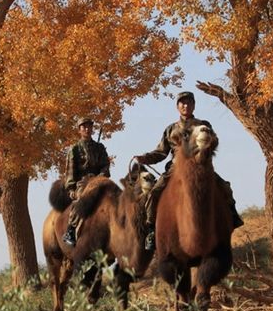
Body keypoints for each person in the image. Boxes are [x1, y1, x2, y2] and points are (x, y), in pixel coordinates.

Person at [135, 90, 244, 251]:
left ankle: (232, 217)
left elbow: (213, 142)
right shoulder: (171, 129)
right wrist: (145, 158)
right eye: (182, 103)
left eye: (189, 102)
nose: (186, 105)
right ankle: (151, 230)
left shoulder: (203, 125)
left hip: (200, 166)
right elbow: (161, 152)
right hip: (175, 167)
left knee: (225, 186)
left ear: (194, 105)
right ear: (178, 107)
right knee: (154, 193)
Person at [62, 118, 111, 246]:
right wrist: (71, 189)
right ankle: (71, 230)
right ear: (79, 130)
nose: (87, 129)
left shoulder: (99, 148)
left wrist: (100, 176)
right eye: (84, 127)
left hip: (99, 180)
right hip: (82, 183)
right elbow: (70, 172)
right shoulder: (74, 149)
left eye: (89, 126)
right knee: (82, 200)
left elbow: (105, 165)